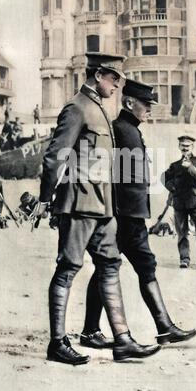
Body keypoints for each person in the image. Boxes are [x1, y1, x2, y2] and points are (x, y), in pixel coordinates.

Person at [30, 54, 161, 365]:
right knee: (68, 268)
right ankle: (57, 342)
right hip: (78, 203)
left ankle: (123, 340)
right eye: (114, 79)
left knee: (110, 265)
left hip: (102, 206)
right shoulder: (77, 107)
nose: (118, 86)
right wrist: (45, 198)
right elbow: (55, 157)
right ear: (98, 74)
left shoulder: (99, 108)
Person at [80, 79, 196, 349]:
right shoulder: (121, 129)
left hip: (131, 215)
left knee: (132, 266)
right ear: (130, 102)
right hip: (123, 216)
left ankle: (162, 326)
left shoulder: (129, 128)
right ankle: (95, 331)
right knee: (115, 268)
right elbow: (111, 174)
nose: (150, 109)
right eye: (146, 104)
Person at [162, 136, 196, 269]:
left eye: (187, 146)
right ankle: (184, 259)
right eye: (182, 146)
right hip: (180, 203)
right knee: (182, 232)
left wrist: (190, 167)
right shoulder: (175, 165)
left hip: (195, 203)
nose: (185, 148)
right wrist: (172, 187)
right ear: (179, 147)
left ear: (192, 147)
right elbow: (164, 178)